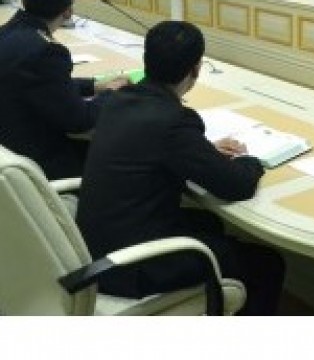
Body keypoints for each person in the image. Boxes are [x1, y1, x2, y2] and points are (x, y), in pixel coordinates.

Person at [76, 21, 285, 315]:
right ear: (196, 69)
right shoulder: (175, 120)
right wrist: (250, 160)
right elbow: (236, 186)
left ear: (147, 59)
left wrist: (202, 150)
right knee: (268, 263)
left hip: (93, 247)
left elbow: (153, 145)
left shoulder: (115, 100)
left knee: (209, 223)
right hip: (130, 266)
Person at [0, 0, 128, 179]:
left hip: (11, 151)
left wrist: (94, 86)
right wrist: (111, 93)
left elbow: (43, 84)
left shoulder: (7, 33)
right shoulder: (47, 51)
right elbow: (80, 120)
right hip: (41, 165)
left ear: (24, 1)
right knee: (123, 153)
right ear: (68, 11)